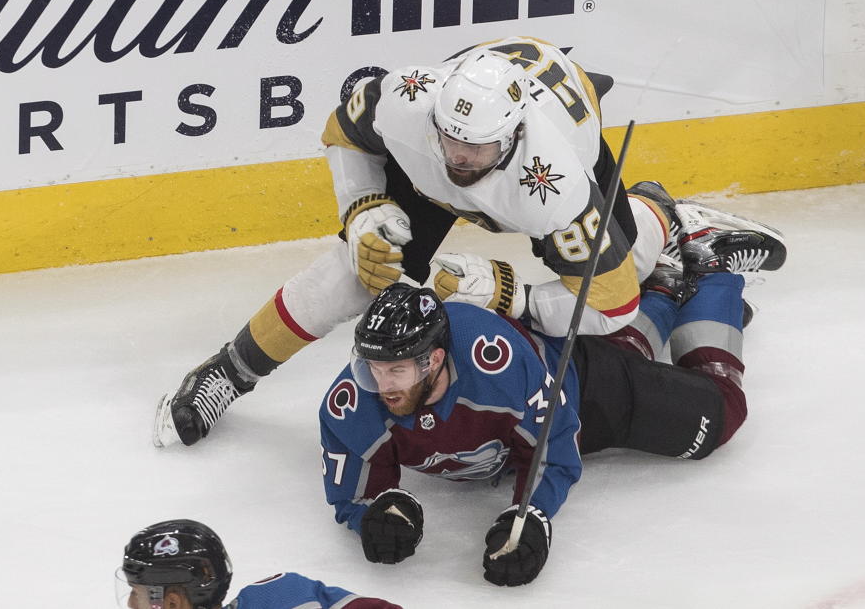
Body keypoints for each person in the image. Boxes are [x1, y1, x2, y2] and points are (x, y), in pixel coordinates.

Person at [153, 35, 785, 448]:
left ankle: (664, 213)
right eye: (448, 138)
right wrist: (363, 209)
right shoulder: (410, 101)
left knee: (636, 262)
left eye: (474, 147)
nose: (457, 157)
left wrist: (508, 293)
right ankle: (227, 373)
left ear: (510, 137)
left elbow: (610, 309)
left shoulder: (555, 185)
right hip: (451, 169)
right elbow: (341, 130)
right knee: (351, 270)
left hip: (553, 166)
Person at [318, 224, 785, 587]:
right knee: (627, 350)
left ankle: (712, 269)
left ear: (435, 359)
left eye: (396, 371)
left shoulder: (495, 362)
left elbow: (555, 445)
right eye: (373, 368)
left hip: (578, 387)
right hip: (536, 403)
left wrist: (530, 516)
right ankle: (664, 286)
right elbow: (354, 494)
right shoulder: (354, 400)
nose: (381, 385)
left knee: (717, 416)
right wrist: (374, 517)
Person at [117, 518, 401, 609]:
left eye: (136, 591)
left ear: (172, 603)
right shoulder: (283, 595)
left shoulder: (280, 598)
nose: (130, 603)